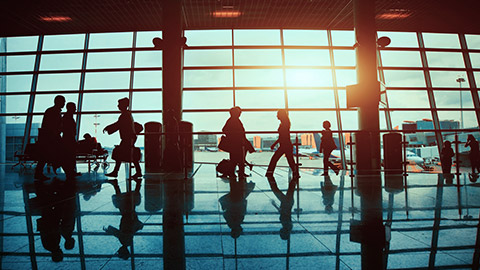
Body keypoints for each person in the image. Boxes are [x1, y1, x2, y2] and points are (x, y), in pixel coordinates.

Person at [103, 98, 142, 178]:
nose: (118, 106)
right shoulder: (127, 114)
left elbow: (118, 125)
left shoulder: (125, 115)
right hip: (130, 137)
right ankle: (137, 172)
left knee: (120, 153)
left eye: (119, 104)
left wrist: (108, 128)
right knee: (126, 154)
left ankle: (116, 172)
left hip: (128, 138)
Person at [35, 95, 66, 180]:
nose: (64, 103)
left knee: (44, 157)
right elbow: (52, 126)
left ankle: (39, 173)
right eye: (63, 101)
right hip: (51, 137)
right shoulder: (54, 112)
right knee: (45, 156)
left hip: (49, 137)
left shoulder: (50, 111)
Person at [222, 106, 254, 179]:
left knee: (236, 159)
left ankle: (235, 173)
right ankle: (239, 173)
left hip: (236, 142)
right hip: (237, 143)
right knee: (239, 159)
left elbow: (224, 130)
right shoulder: (235, 120)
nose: (240, 114)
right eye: (239, 112)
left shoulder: (232, 120)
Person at [266, 109, 299, 178]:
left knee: (275, 159)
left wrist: (274, 144)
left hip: (285, 145)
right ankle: (296, 173)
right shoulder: (285, 123)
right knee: (290, 160)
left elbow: (282, 136)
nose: (276, 116)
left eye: (278, 114)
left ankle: (269, 173)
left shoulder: (284, 124)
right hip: (286, 145)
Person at [61, 102, 79, 177]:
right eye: (74, 107)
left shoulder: (67, 116)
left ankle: (70, 171)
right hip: (69, 139)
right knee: (70, 156)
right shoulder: (68, 117)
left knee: (70, 156)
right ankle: (70, 171)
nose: (75, 109)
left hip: (68, 138)